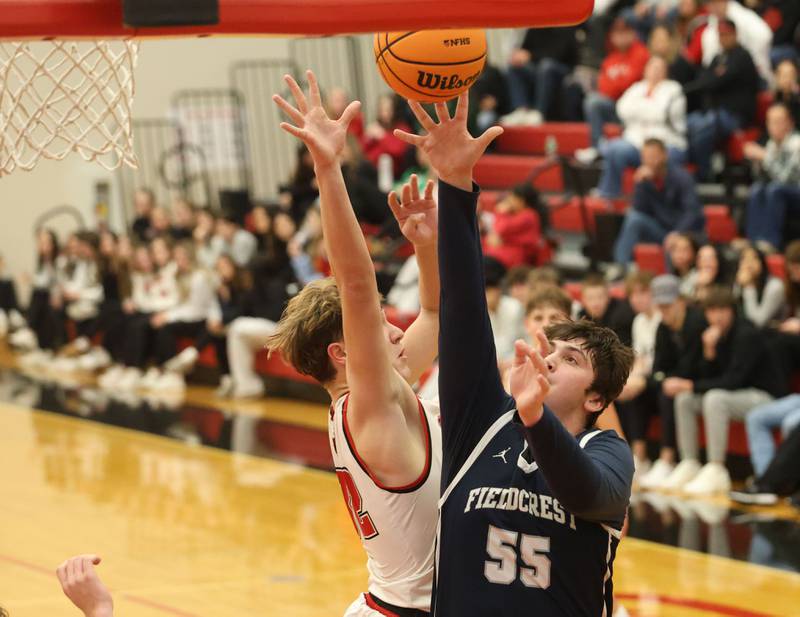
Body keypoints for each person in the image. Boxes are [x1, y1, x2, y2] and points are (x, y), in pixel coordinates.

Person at [394, 92, 635, 616]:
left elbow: (587, 494)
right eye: (554, 351)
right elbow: (462, 314)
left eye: (572, 360)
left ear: (596, 398)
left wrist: (533, 417)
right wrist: (455, 184)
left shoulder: (608, 453)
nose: (550, 360)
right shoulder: (482, 422)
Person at [268, 71, 441, 616]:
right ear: (343, 354)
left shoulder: (385, 395)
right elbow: (359, 283)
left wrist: (427, 247)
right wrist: (327, 165)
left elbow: (435, 311)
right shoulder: (370, 408)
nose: (394, 330)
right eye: (377, 326)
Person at [661, 285, 787, 494]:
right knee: (685, 399)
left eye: (722, 310)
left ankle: (716, 468)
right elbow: (710, 377)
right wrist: (709, 352)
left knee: (714, 398)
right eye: (711, 311)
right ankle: (690, 462)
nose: (717, 316)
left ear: (732, 310)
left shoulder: (746, 334)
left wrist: (690, 384)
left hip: (764, 396)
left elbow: (734, 380)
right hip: (736, 395)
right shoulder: (714, 336)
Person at [595, 57, 687, 199]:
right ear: (645, 70)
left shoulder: (674, 89)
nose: (655, 72)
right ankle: (608, 196)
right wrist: (651, 107)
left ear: (665, 72)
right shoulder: (636, 88)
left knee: (664, 158)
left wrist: (639, 110)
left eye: (659, 68)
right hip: (636, 144)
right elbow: (622, 109)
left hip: (667, 144)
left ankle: (666, 201)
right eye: (652, 68)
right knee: (614, 149)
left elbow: (662, 113)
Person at [684, 18, 760, 180]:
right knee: (688, 123)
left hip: (736, 116)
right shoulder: (717, 58)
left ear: (735, 35)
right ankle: (689, 169)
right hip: (714, 112)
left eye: (727, 34)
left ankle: (704, 174)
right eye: (720, 35)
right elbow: (704, 80)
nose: (723, 38)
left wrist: (713, 80)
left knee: (705, 126)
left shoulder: (742, 56)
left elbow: (716, 81)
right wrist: (712, 80)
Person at [612, 138, 704, 265]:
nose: (650, 161)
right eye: (645, 158)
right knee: (634, 218)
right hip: (661, 230)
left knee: (675, 241)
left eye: (653, 156)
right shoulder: (645, 180)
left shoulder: (682, 178)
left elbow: (693, 212)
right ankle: (621, 267)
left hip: (684, 232)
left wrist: (677, 233)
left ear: (664, 156)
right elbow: (639, 210)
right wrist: (639, 185)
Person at [577, 15, 650, 161]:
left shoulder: (641, 53)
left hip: (636, 107)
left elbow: (633, 84)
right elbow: (603, 87)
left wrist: (615, 84)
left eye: (625, 32)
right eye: (617, 33)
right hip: (615, 106)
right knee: (593, 101)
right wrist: (618, 85)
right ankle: (596, 146)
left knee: (596, 100)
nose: (621, 36)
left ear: (633, 33)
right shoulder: (611, 58)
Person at [744, 103, 800, 252]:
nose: (773, 126)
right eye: (770, 121)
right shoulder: (771, 144)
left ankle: (770, 242)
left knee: (775, 189)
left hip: (796, 190)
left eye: (778, 121)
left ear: (790, 123)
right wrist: (756, 163)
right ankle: (753, 241)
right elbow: (761, 178)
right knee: (757, 188)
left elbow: (785, 178)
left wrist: (764, 157)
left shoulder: (796, 144)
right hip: (781, 190)